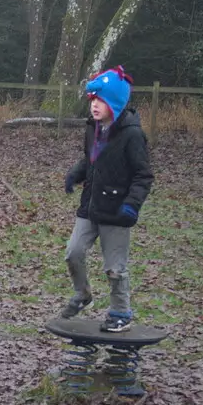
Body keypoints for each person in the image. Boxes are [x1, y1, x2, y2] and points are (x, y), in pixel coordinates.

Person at [60, 66, 153, 332]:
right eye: (92, 100)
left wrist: (131, 205)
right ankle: (82, 294)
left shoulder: (132, 135)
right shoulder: (93, 128)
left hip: (117, 211)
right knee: (73, 253)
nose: (94, 106)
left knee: (115, 269)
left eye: (100, 101)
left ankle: (121, 312)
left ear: (115, 103)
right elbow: (90, 159)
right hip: (90, 206)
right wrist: (75, 175)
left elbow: (143, 175)